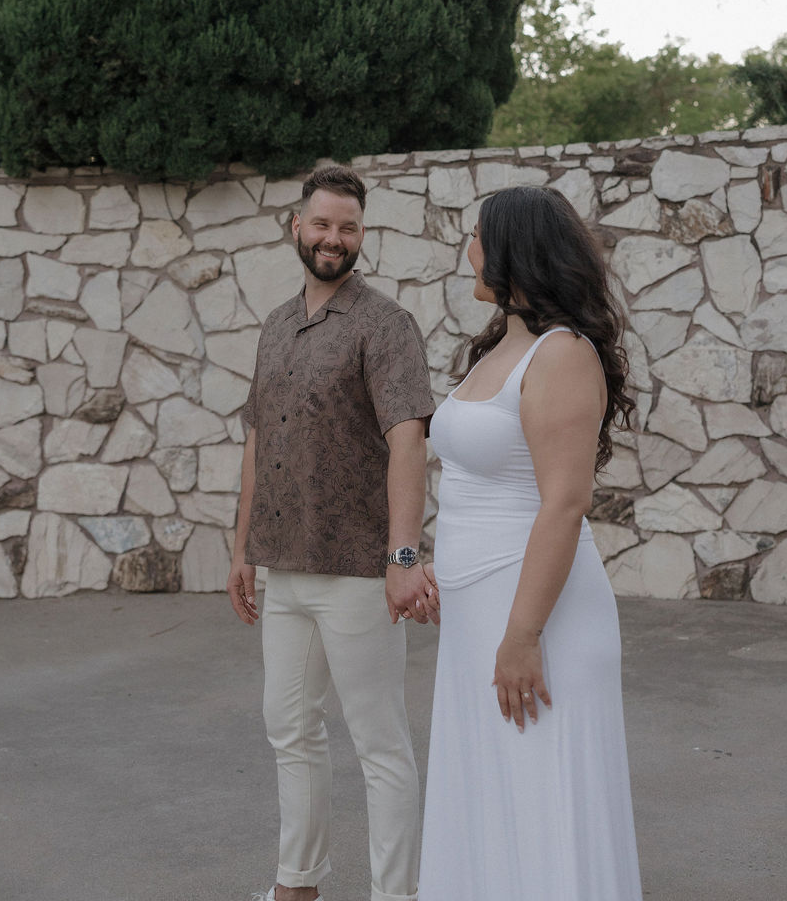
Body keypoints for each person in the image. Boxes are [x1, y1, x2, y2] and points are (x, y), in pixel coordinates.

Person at [418, 183, 643, 900]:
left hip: (535, 617)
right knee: (491, 795)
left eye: (480, 236)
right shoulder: (499, 350)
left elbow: (566, 501)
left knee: (543, 800)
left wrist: (522, 636)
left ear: (516, 248)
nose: (470, 250)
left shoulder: (563, 353)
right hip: (476, 615)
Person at [227, 164, 437, 901]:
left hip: (356, 572)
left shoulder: (385, 326)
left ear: (360, 236)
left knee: (380, 746)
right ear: (298, 227)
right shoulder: (277, 325)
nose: (333, 239)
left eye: (347, 228)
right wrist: (241, 548)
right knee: (290, 730)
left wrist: (403, 556)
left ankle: (394, 896)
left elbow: (409, 439)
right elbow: (257, 441)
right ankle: (298, 885)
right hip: (281, 570)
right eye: (322, 224)